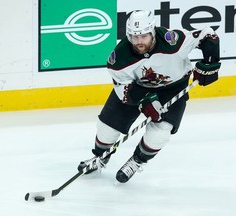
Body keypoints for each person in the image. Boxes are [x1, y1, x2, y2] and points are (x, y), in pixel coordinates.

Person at [78, 10, 221, 183]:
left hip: (173, 89)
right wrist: (144, 101)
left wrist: (210, 63)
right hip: (136, 89)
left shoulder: (172, 42)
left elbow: (208, 34)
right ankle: (100, 157)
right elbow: (124, 89)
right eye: (134, 37)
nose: (139, 42)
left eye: (144, 36)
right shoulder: (119, 59)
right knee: (106, 129)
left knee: (160, 133)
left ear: (152, 31)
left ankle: (137, 160)